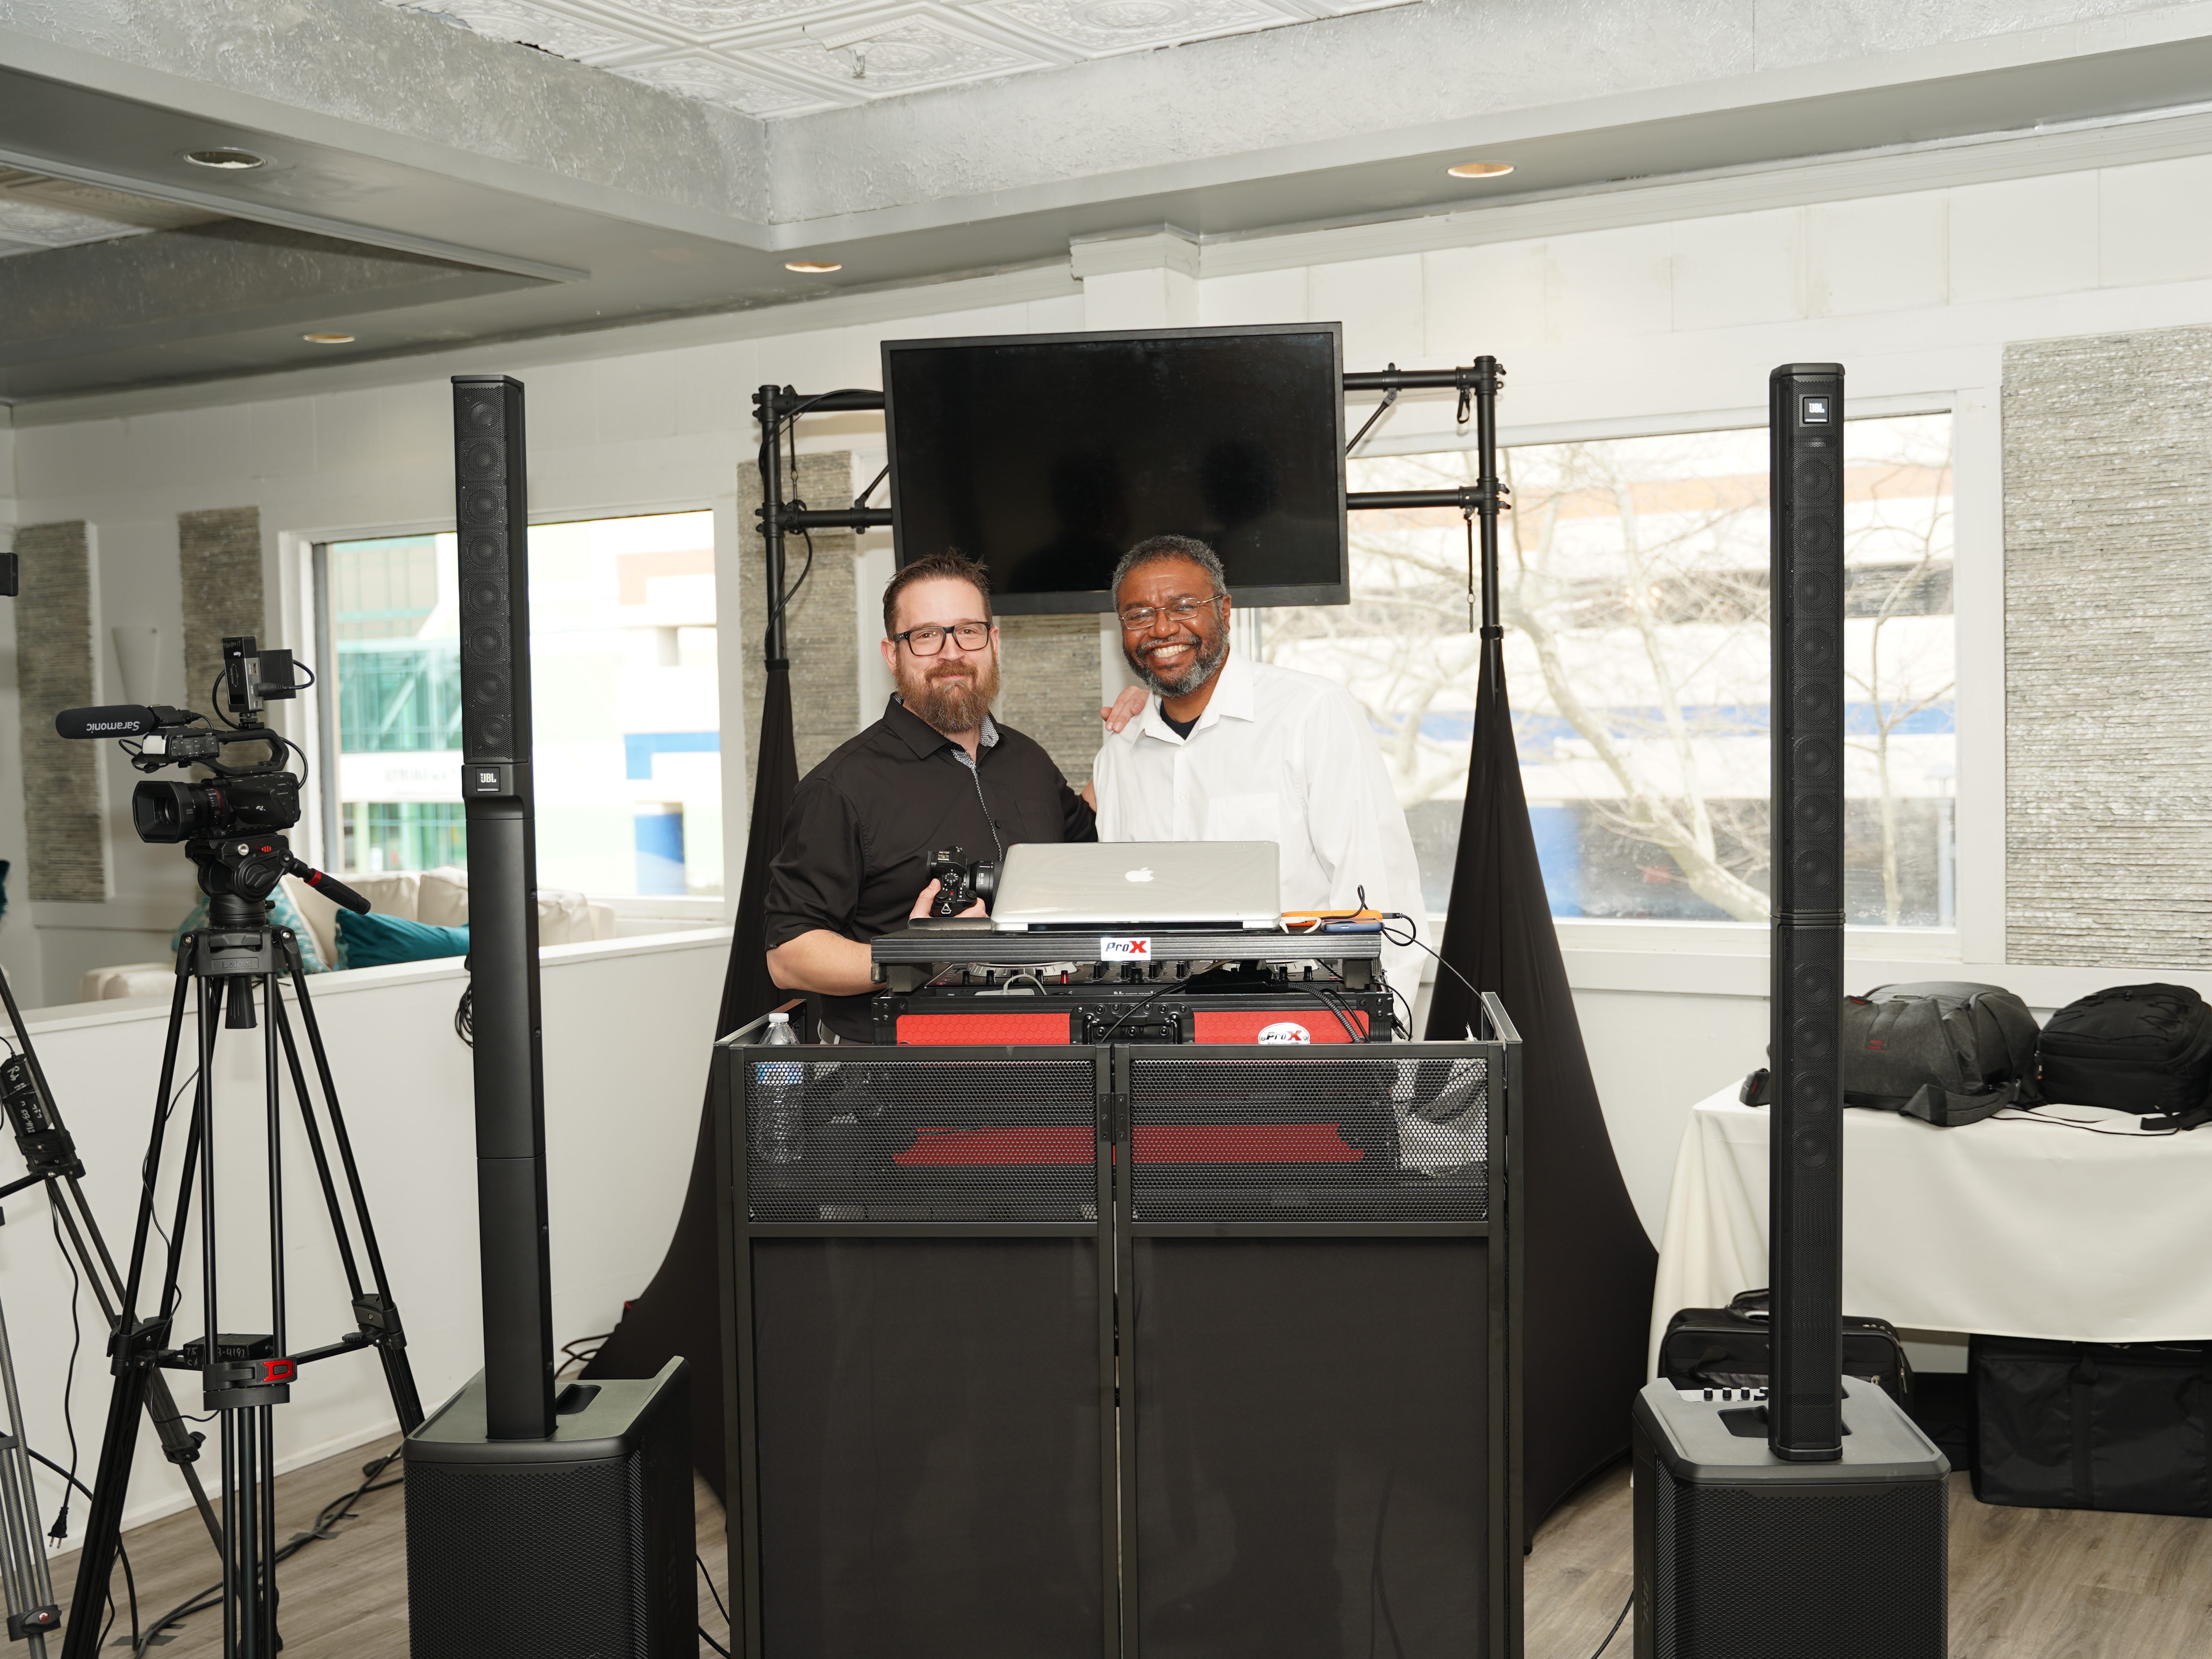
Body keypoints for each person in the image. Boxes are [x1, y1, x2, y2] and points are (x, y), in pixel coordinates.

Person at [764, 549, 1097, 1040]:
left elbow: (1093, 855)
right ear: (891, 654)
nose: (951, 652)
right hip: (904, 1080)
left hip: (1043, 1054)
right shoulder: (839, 788)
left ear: (993, 642)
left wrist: (1137, 731)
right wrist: (919, 957)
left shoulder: (1028, 760)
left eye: (968, 630)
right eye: (925, 635)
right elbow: (789, 959)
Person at [1088, 534, 1429, 998]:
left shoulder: (1311, 713)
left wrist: (1379, 1049)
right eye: (1139, 614)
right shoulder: (1119, 755)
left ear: (1224, 611)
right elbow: (1120, 918)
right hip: (1160, 1036)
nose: (1162, 628)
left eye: (1183, 605)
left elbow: (1377, 890)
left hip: (1301, 1024)